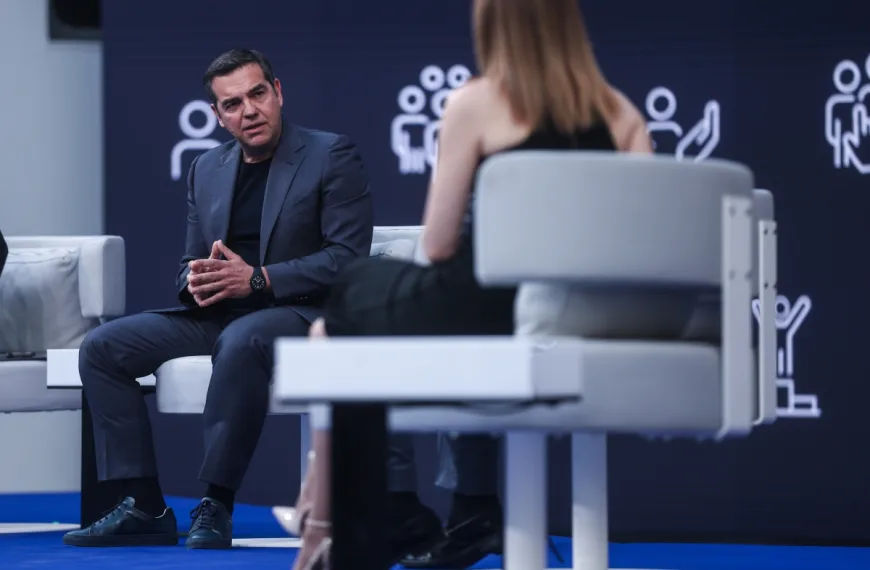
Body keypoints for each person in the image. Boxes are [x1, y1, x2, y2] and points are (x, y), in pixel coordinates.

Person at [289, 0, 654, 568]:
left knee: (350, 294)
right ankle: (347, 515)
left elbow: (438, 245)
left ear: (493, 26)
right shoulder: (623, 115)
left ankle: (338, 517)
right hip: (582, 318)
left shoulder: (477, 102)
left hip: (486, 303)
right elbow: (639, 245)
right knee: (335, 334)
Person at [62, 48, 374, 550]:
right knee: (103, 347)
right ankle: (143, 505)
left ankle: (216, 503)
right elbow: (189, 263)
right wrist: (198, 281)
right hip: (219, 313)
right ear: (218, 115)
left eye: (257, 94)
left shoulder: (329, 155)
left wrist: (258, 280)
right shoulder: (206, 167)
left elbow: (346, 259)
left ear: (277, 92)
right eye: (233, 104)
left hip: (301, 312)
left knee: (242, 338)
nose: (249, 111)